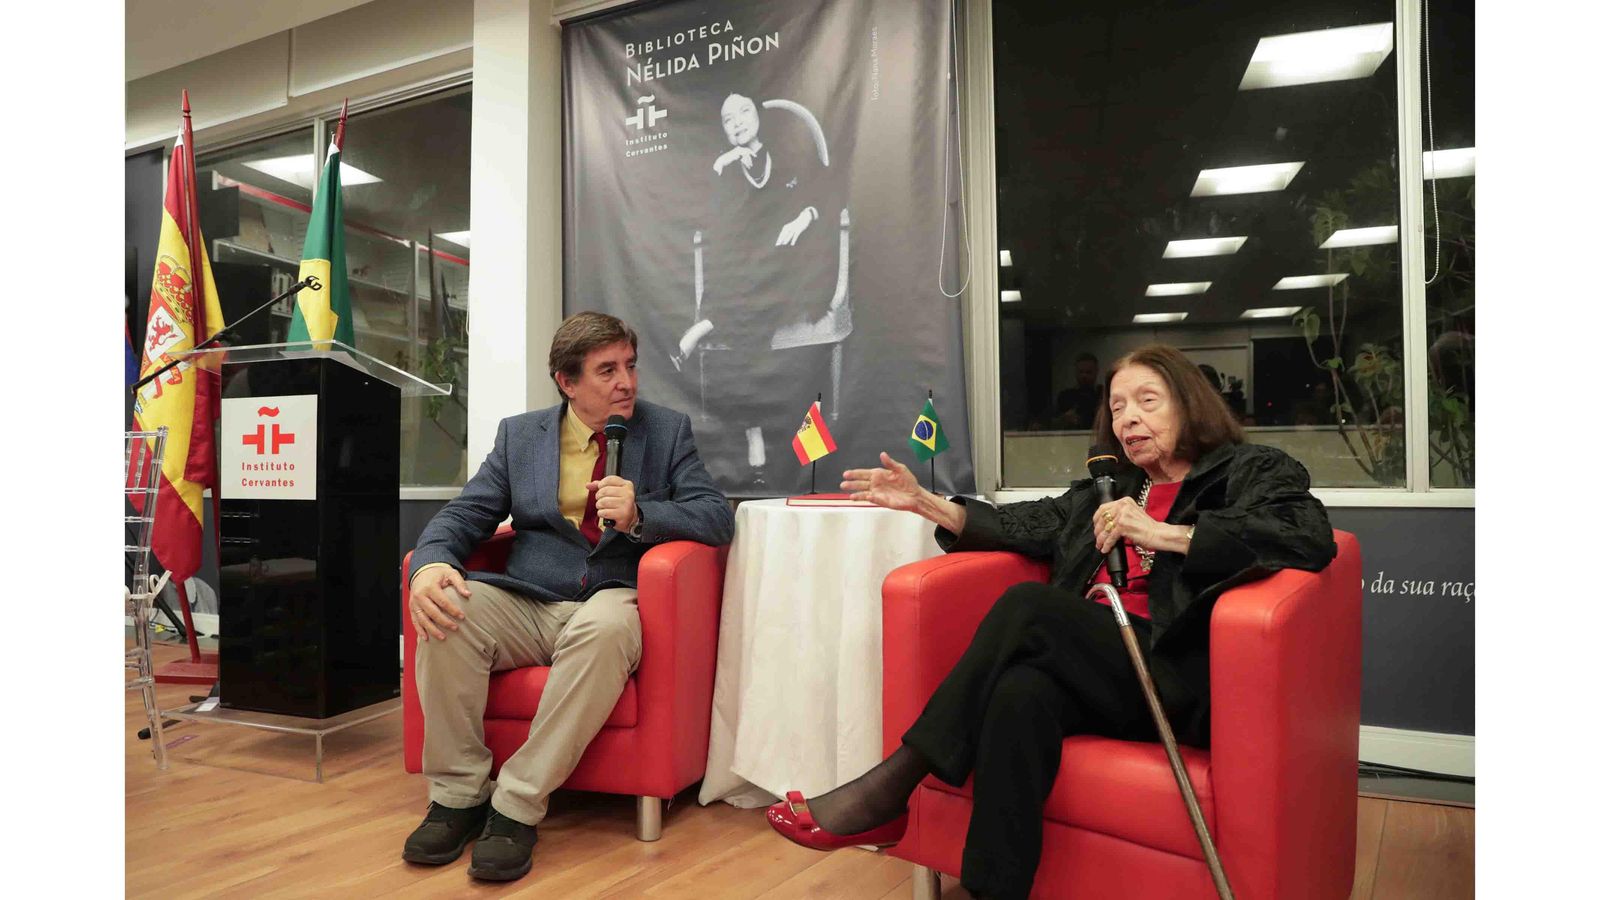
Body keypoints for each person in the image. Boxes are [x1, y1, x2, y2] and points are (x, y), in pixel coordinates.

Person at [766, 344, 1336, 899]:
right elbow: (1020, 524)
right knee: (1020, 694)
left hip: (1172, 672)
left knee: (1029, 606)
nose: (1129, 419)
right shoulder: (1103, 491)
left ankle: (893, 786)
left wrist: (1162, 534)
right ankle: (994, 889)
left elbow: (1303, 536)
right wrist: (926, 503)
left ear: (1189, 403)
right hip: (1099, 673)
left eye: (1147, 401)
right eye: (1117, 407)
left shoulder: (1248, 470)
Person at [401, 312, 734, 882]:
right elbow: (466, 513)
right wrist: (428, 565)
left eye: (629, 366)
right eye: (607, 371)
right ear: (567, 381)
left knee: (603, 632)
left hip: (615, 593)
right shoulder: (520, 435)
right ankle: (458, 794)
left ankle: (516, 805)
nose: (626, 382)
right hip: (529, 596)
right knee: (449, 611)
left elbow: (714, 517)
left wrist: (641, 515)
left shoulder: (667, 430)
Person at [679, 92, 837, 487]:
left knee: (758, 280)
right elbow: (710, 225)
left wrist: (804, 216)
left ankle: (709, 323)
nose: (737, 121)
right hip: (745, 279)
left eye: (744, 112)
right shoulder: (725, 170)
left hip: (790, 274)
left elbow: (824, 191)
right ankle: (754, 434)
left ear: (758, 117)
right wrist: (719, 168)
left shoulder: (786, 153)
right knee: (741, 290)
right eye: (727, 118)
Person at [1054, 352, 1102, 429]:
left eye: (1088, 372)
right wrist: (1064, 419)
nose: (1084, 376)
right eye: (1081, 372)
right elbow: (1053, 424)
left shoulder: (1103, 394)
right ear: (1076, 372)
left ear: (1096, 372)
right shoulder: (1065, 396)